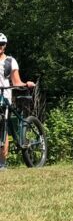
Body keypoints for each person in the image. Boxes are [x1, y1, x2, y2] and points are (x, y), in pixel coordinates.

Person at [0, 33, 35, 170]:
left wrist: (26, 84)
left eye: (1, 44)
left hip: (5, 97)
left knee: (3, 128)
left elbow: (16, 82)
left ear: (5, 45)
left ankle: (2, 163)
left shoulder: (10, 61)